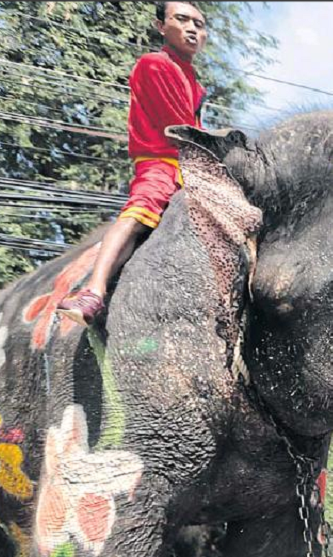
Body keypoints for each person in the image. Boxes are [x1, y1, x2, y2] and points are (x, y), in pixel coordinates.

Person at [57, 1, 207, 326]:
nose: (193, 28)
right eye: (182, 19)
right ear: (160, 27)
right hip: (161, 162)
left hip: (191, 171)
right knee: (140, 211)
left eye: (199, 23)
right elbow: (179, 126)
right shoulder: (154, 64)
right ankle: (93, 292)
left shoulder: (194, 81)